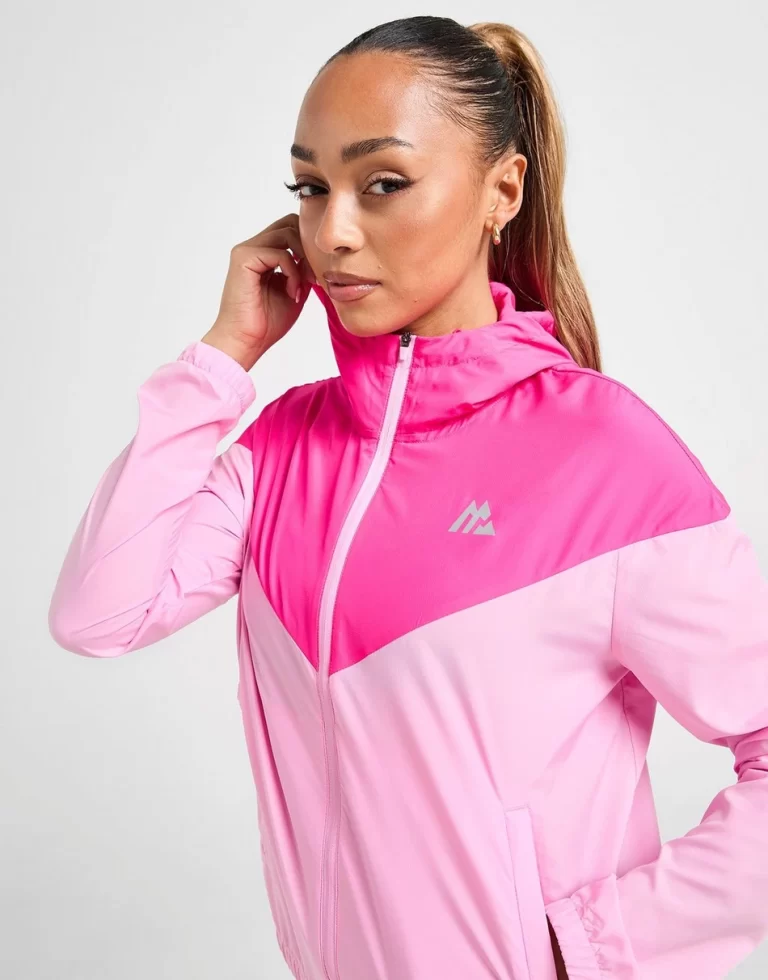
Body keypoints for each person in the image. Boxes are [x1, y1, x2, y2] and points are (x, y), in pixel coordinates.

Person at [47, 14, 768, 980]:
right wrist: (223, 358)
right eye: (311, 188)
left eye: (383, 183)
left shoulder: (607, 456)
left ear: (501, 190)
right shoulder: (283, 450)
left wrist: (594, 947)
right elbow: (100, 613)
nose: (333, 232)